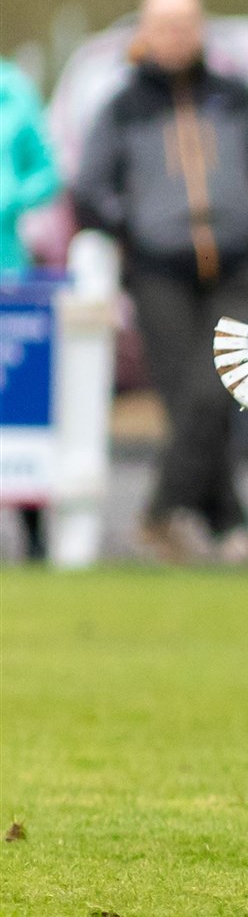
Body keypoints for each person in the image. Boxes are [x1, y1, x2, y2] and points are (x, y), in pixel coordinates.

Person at [72, 0, 248, 564]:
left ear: (201, 29)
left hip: (232, 266)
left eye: (186, 23)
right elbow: (90, 189)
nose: (175, 36)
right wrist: (137, 226)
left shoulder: (236, 96)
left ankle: (161, 512)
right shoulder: (124, 106)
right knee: (186, 400)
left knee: (220, 387)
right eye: (164, 24)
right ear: (145, 32)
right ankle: (229, 522)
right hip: (158, 274)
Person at [1, 57, 62, 561]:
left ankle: (33, 536)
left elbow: (47, 172)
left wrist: (12, 196)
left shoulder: (14, 90)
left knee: (17, 405)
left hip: (7, 273)